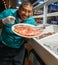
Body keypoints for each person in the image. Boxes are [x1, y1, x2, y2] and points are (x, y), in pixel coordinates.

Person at [0, 1, 37, 65]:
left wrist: (27, 36)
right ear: (19, 9)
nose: (26, 14)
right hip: (5, 46)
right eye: (24, 10)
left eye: (29, 11)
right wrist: (3, 21)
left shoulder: (31, 22)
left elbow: (26, 39)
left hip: (19, 47)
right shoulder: (7, 13)